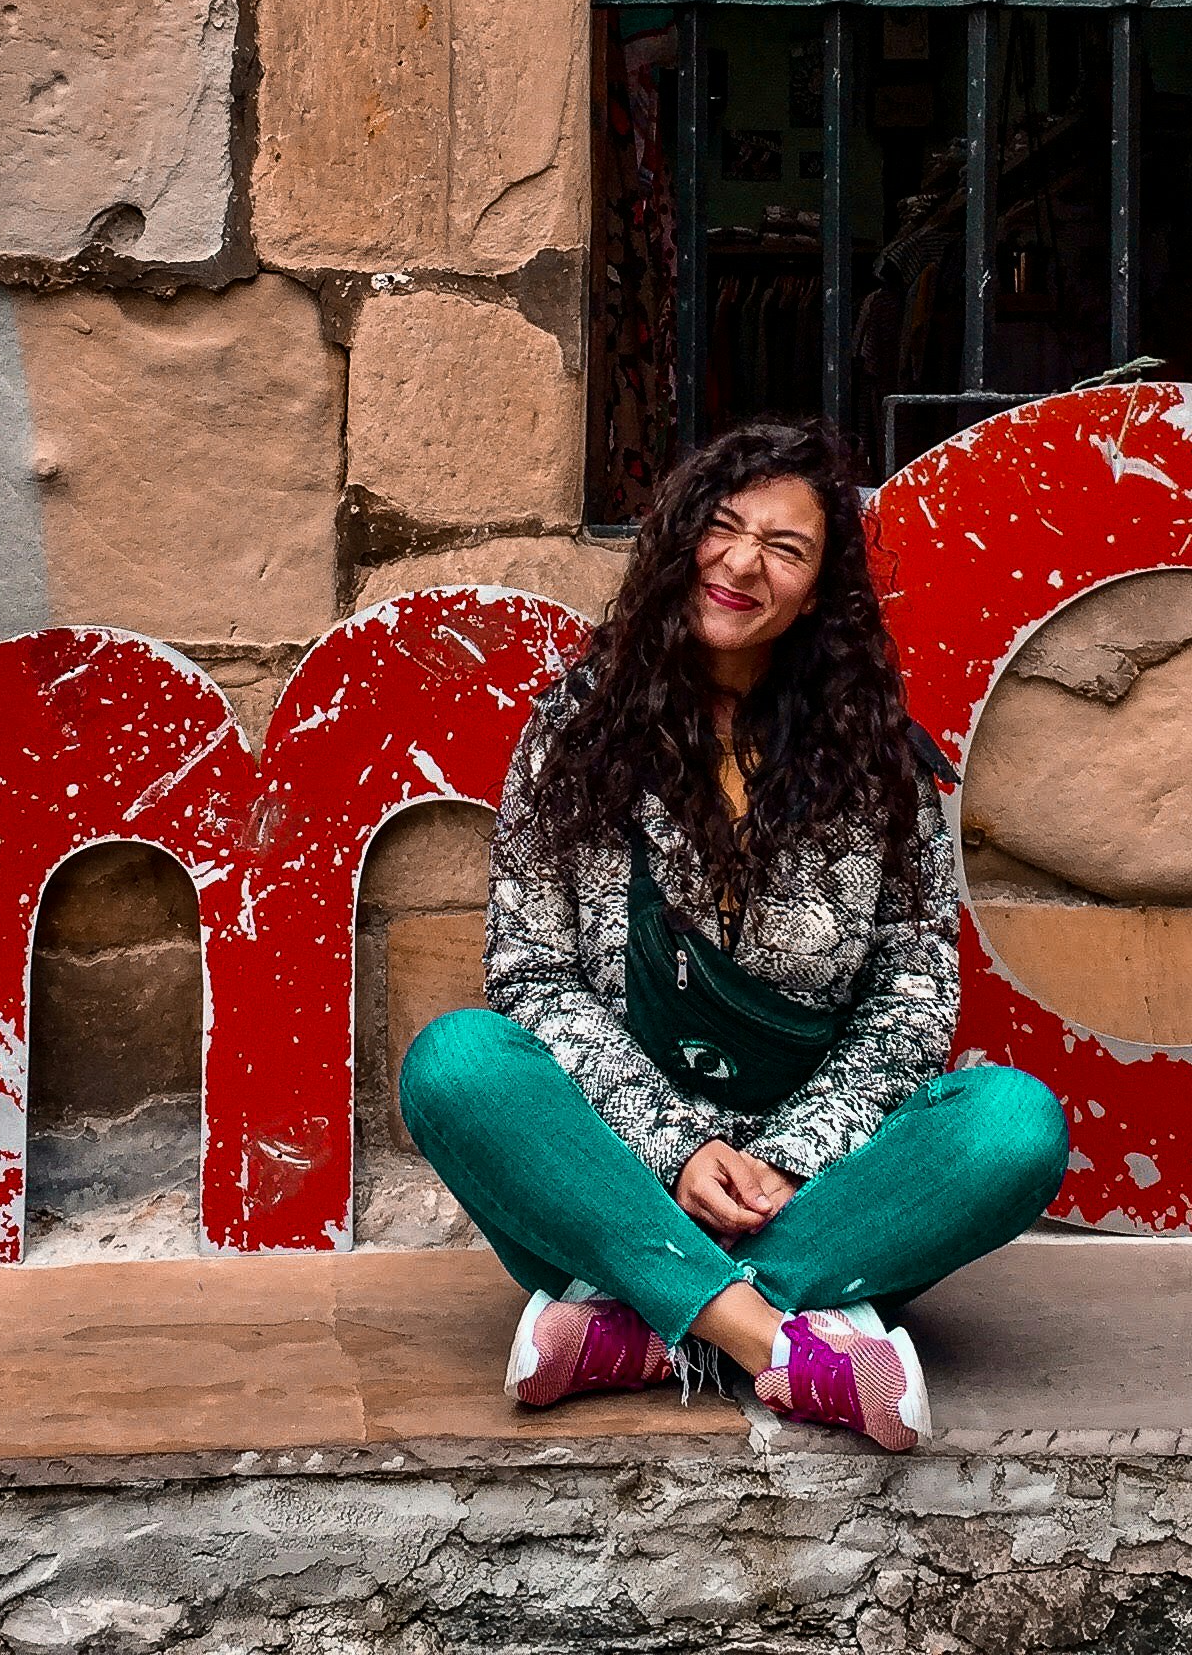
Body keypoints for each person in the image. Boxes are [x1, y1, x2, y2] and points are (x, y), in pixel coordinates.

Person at [397, 417, 1070, 1452]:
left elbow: (912, 997)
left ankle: (645, 1328)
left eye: (787, 549)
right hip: (612, 1178)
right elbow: (532, 973)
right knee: (456, 1064)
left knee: (1012, 1126)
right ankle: (780, 1341)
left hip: (816, 1186)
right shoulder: (575, 730)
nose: (744, 563)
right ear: (680, 542)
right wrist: (674, 1151)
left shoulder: (880, 764)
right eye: (724, 527)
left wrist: (791, 1162)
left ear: (819, 595)